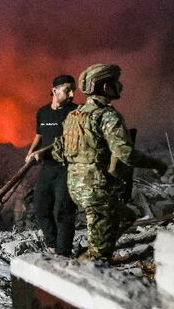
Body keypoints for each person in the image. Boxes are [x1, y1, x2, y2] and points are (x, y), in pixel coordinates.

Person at [52, 64, 167, 260]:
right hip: (97, 189)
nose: (120, 86)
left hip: (75, 186)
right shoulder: (107, 115)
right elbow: (126, 154)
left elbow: (60, 151)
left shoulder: (73, 115)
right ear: (105, 87)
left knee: (127, 216)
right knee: (98, 258)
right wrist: (157, 164)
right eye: (115, 83)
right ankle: (92, 258)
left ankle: (98, 245)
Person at [25, 75, 79, 256]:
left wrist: (42, 152)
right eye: (67, 90)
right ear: (54, 90)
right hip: (48, 167)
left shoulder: (75, 112)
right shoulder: (42, 112)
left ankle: (63, 254)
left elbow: (67, 139)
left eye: (73, 91)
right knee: (40, 207)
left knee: (63, 211)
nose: (72, 94)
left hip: (67, 167)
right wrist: (31, 152)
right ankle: (53, 245)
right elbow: (39, 134)